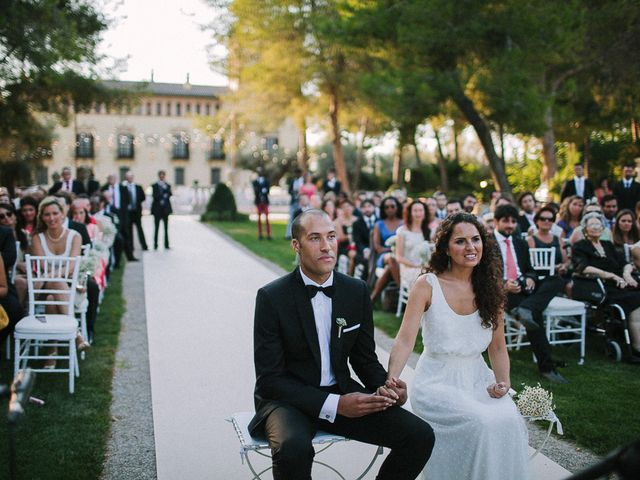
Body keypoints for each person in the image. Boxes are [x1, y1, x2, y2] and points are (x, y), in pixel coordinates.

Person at [248, 209, 434, 479]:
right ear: (296, 245)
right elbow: (270, 380)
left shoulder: (355, 290)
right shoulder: (271, 297)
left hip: (343, 394)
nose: (326, 246)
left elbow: (364, 359)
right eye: (314, 238)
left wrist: (387, 388)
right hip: (287, 403)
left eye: (331, 237)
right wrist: (334, 405)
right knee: (293, 449)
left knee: (419, 435)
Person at [387, 212, 529, 480]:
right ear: (446, 249)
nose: (471, 247)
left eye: (475, 240)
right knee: (481, 423)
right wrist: (391, 378)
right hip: (437, 382)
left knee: (510, 419)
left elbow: (497, 347)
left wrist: (503, 381)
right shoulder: (427, 285)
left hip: (477, 378)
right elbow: (405, 339)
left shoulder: (491, 288)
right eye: (461, 241)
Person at [494, 205, 567, 383]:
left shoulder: (520, 242)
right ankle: (546, 366)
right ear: (496, 221)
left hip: (523, 286)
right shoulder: (487, 243)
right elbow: (481, 274)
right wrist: (504, 285)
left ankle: (526, 308)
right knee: (535, 315)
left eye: (513, 221)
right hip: (503, 291)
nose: (510, 225)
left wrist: (530, 278)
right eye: (505, 221)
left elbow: (530, 269)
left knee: (555, 280)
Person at [572, 213, 640, 360]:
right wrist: (611, 275)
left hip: (621, 283)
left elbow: (625, 263)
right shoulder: (580, 246)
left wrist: (627, 274)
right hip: (599, 286)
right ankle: (636, 347)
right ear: (585, 229)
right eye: (592, 224)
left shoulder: (608, 245)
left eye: (599, 224)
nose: (596, 227)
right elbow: (582, 267)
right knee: (633, 300)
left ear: (603, 228)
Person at [30, 196, 88, 362]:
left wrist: (58, 275)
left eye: (55, 213)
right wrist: (57, 275)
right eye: (47, 214)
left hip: (71, 289)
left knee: (52, 297)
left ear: (63, 214)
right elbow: (43, 267)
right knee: (54, 285)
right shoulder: (37, 238)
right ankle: (77, 334)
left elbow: (72, 265)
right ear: (42, 217)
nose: (52, 218)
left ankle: (51, 350)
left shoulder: (75, 236)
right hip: (44, 287)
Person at [370, 196, 403, 302]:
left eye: (392, 206)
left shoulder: (404, 223)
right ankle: (403, 290)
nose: (390, 209)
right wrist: (392, 250)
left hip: (402, 255)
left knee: (390, 267)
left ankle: (372, 299)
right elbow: (378, 248)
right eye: (386, 207)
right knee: (391, 259)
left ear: (397, 207)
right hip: (384, 256)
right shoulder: (379, 224)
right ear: (383, 209)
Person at [395, 200, 431, 288]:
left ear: (425, 212)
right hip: (408, 268)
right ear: (410, 213)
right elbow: (399, 257)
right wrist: (416, 266)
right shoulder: (402, 231)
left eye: (420, 210)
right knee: (425, 278)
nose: (418, 213)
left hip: (424, 267)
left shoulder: (427, 231)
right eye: (415, 210)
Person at [527, 206, 570, 279]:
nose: (546, 221)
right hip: (539, 277)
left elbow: (565, 260)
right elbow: (532, 263)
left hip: (559, 276)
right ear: (536, 221)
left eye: (550, 219)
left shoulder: (558, 239)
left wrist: (564, 266)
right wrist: (553, 267)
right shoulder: (531, 240)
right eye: (542, 219)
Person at [124, 171, 148, 252]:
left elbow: (143, 197)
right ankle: (131, 247)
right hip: (128, 212)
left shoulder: (138, 187)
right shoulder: (123, 188)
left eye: (131, 177)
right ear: (126, 178)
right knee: (129, 230)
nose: (129, 179)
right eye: (128, 177)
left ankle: (144, 245)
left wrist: (137, 203)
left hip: (137, 211)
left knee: (140, 229)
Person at [334, 199, 358, 275]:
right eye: (344, 207)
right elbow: (340, 237)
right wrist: (349, 237)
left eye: (348, 206)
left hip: (357, 244)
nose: (347, 208)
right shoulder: (338, 221)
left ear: (352, 208)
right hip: (344, 246)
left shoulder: (357, 220)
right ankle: (349, 276)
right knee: (352, 254)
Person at [151, 170, 173, 250]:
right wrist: (163, 193)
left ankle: (166, 245)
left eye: (163, 175)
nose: (162, 176)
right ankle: (155, 244)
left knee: (166, 228)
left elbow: (170, 194)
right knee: (156, 228)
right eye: (161, 175)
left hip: (165, 210)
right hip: (157, 210)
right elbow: (155, 196)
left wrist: (165, 190)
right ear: (159, 176)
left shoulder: (167, 185)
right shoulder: (154, 185)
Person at [252, 166, 271, 240]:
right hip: (258, 202)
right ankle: (260, 234)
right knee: (259, 219)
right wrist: (261, 191)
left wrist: (264, 191)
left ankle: (268, 234)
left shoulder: (266, 181)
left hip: (265, 201)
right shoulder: (255, 182)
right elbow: (255, 191)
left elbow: (268, 191)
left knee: (267, 218)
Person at [286, 168, 304, 240]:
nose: (297, 175)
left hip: (301, 202)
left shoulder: (303, 181)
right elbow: (289, 191)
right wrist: (294, 192)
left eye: (298, 173)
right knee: (291, 218)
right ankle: (288, 234)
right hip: (293, 202)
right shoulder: (292, 181)